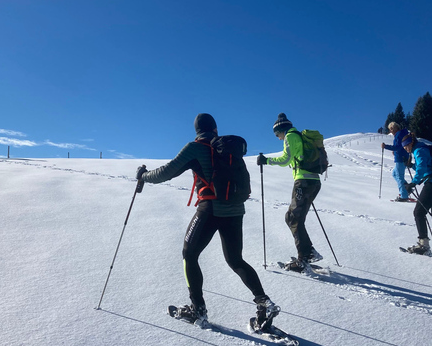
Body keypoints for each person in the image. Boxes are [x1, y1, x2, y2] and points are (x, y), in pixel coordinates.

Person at [136, 113, 280, 330]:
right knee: (235, 260)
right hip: (235, 210)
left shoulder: (196, 148)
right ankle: (264, 303)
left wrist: (143, 176)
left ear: (197, 130)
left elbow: (166, 172)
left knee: (189, 254)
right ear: (215, 129)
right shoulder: (227, 149)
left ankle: (198, 309)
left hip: (210, 208)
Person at [256, 113, 323, 272]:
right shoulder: (297, 135)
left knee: (292, 218)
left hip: (304, 182)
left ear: (281, 130)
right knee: (295, 218)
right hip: (311, 181)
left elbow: (286, 159)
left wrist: (267, 160)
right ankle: (308, 252)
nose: (278, 138)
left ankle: (304, 258)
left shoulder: (290, 136)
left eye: (277, 134)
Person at [381, 122, 411, 201]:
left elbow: (397, 147)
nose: (391, 131)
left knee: (399, 177)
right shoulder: (401, 134)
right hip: (402, 157)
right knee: (394, 174)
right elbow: (400, 147)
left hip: (401, 159)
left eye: (391, 129)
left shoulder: (399, 135)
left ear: (395, 128)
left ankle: (404, 195)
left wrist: (386, 146)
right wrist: (396, 151)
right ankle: (407, 188)